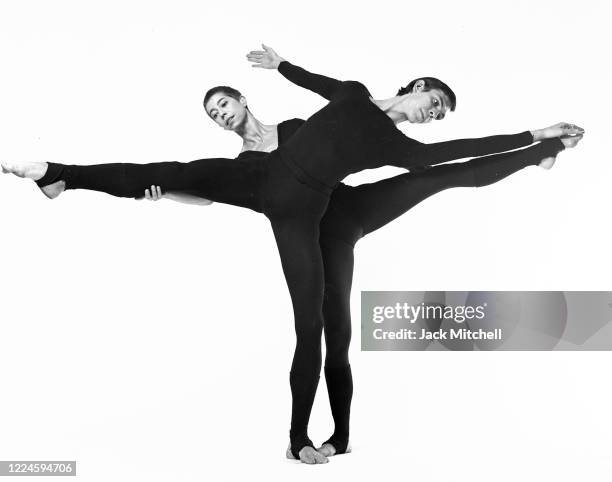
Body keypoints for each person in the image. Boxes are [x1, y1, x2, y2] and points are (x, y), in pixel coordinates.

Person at [0, 46, 583, 463]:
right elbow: (315, 82)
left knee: (423, 200)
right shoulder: (320, 115)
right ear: (412, 85)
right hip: (283, 207)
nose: (433, 113)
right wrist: (281, 66)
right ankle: (58, 174)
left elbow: (457, 149)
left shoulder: (390, 141)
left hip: (328, 212)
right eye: (432, 100)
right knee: (174, 176)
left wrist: (529, 136)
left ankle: (544, 153)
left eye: (438, 112)